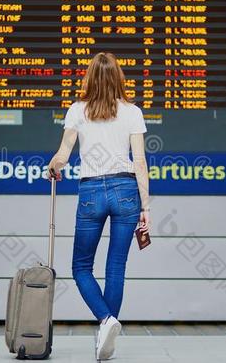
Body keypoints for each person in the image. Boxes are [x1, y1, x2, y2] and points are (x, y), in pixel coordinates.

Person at [47, 52, 150, 360]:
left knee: (80, 267)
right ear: (118, 77)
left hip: (92, 190)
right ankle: (109, 331)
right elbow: (140, 161)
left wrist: (54, 164)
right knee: (116, 267)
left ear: (89, 77)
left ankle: (106, 320)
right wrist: (146, 207)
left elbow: (64, 152)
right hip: (126, 189)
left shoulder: (77, 110)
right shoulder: (132, 111)